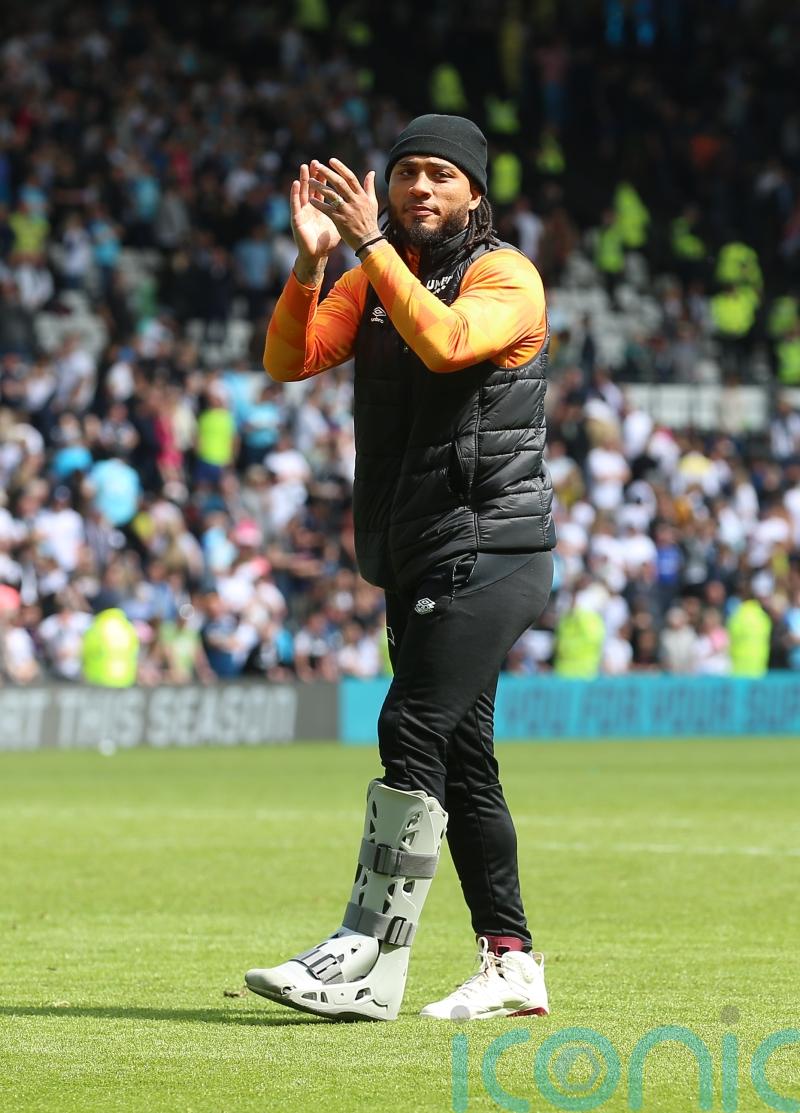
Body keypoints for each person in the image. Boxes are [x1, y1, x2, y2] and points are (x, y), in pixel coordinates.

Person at [245, 114, 556, 1022]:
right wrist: (312, 266)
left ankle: (366, 951)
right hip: (414, 548)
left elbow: (450, 344)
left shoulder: (508, 276)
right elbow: (286, 360)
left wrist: (369, 246)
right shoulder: (369, 280)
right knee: (465, 765)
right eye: (406, 174)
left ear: (474, 192)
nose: (420, 189)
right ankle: (512, 963)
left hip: (493, 546)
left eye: (440, 177)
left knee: (409, 725)